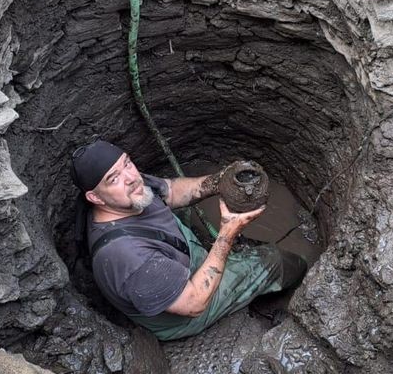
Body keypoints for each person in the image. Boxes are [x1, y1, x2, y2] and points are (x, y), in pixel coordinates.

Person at [72, 139, 307, 341]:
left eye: (127, 163)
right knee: (273, 260)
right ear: (94, 197)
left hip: (175, 262)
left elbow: (172, 191)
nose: (131, 177)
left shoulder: (130, 189)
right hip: (184, 309)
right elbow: (193, 303)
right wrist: (226, 234)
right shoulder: (126, 258)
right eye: (113, 179)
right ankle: (303, 284)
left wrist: (219, 182)